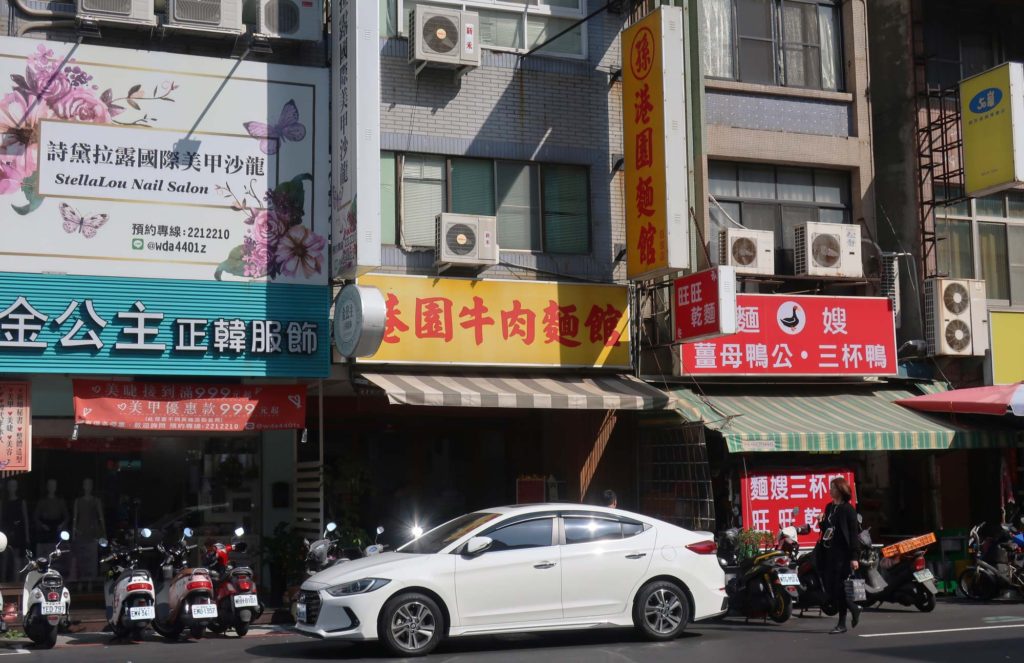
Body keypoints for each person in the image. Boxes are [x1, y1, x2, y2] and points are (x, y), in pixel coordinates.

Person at [815, 477, 862, 634]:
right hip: (829, 554)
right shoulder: (829, 507)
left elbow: (854, 535)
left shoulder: (848, 510)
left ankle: (842, 622)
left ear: (840, 490)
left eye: (833, 488)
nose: (830, 490)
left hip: (843, 555)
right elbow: (827, 530)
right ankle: (853, 609)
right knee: (832, 588)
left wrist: (854, 557)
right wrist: (821, 522)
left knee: (840, 588)